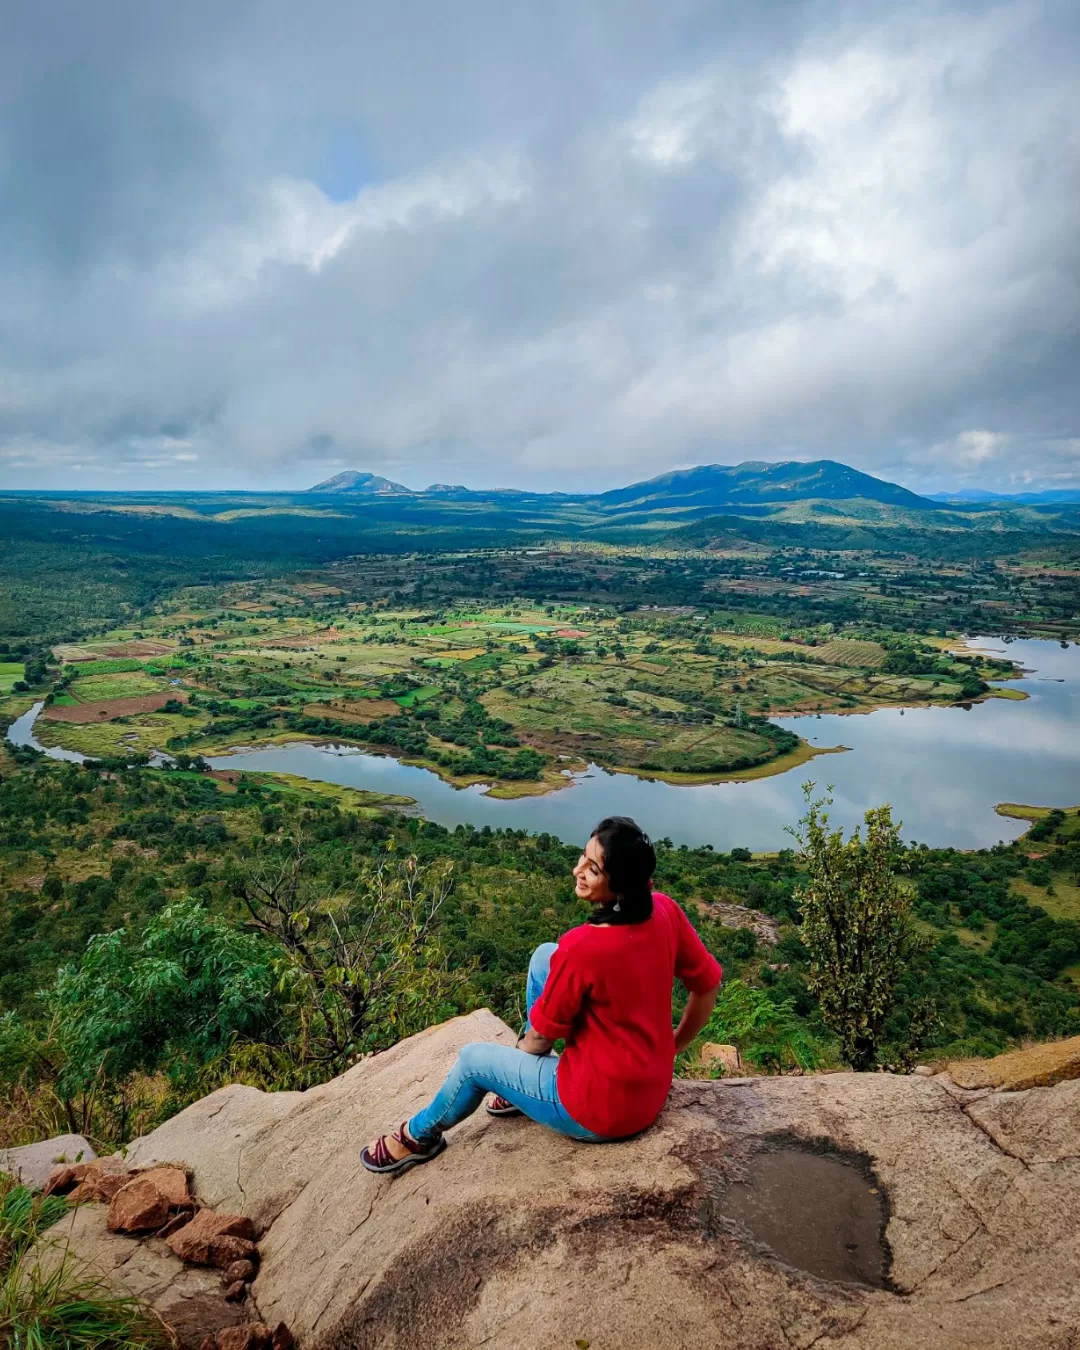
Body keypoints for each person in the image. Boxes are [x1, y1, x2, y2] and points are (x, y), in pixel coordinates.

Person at [361, 815, 723, 1175]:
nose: (577, 869)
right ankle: (521, 1093)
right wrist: (672, 1047)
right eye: (584, 856)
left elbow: (538, 1039)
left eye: (592, 868)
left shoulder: (584, 947)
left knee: (473, 1062)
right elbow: (707, 985)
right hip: (650, 1090)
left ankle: (416, 1137)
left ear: (621, 885)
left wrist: (520, 1062)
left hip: (595, 1111)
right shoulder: (663, 910)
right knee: (542, 956)